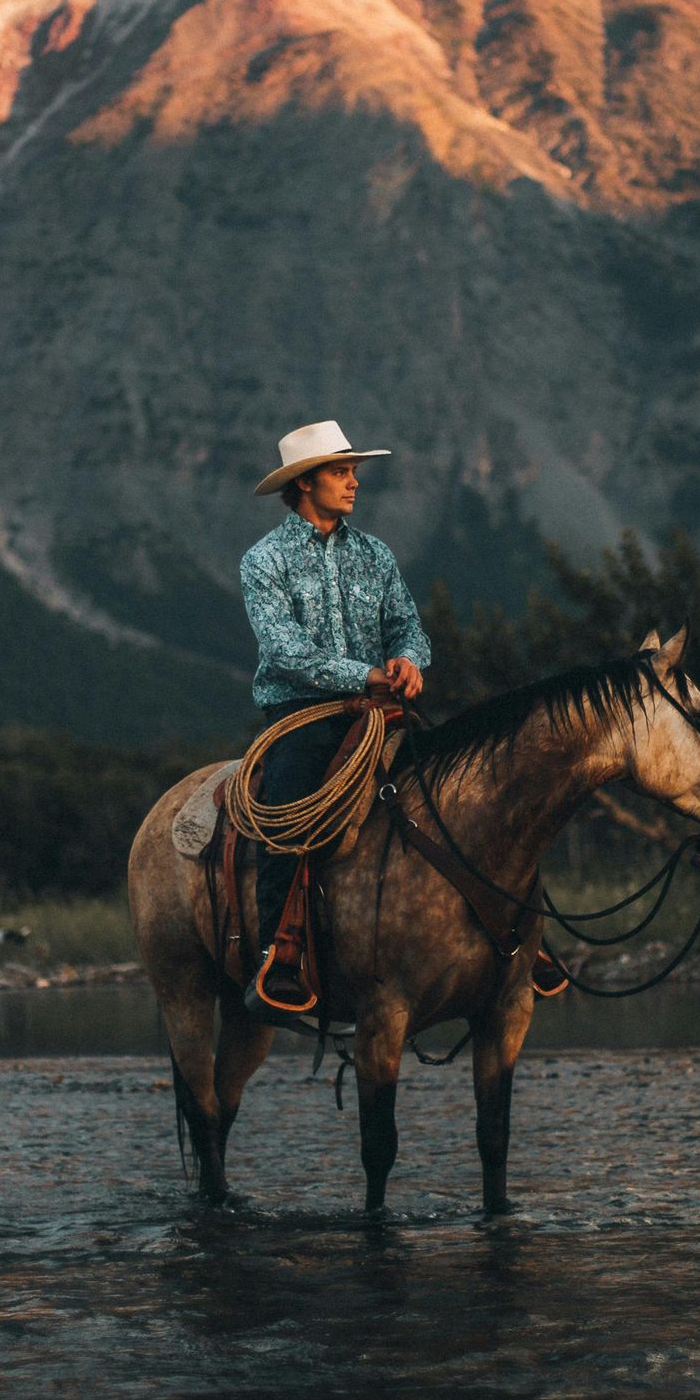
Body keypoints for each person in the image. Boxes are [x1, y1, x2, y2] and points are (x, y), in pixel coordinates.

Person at [239, 419, 430, 1014]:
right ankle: (281, 956)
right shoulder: (263, 561)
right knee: (288, 820)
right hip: (302, 713)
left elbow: (408, 624)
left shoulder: (376, 554)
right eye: (340, 473)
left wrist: (407, 659)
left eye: (352, 473)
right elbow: (284, 651)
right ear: (304, 484)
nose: (353, 484)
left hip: (381, 710)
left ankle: (500, 940)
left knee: (464, 789)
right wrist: (367, 674)